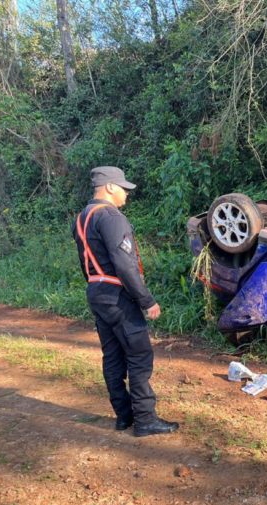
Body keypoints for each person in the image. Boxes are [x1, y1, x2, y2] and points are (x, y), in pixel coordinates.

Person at [72, 166, 179, 437]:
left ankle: (123, 416)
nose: (126, 194)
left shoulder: (82, 217)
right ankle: (145, 420)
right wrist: (146, 300)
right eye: (122, 188)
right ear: (109, 187)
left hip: (96, 292)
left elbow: (87, 264)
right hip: (118, 296)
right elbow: (125, 264)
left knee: (113, 356)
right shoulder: (110, 216)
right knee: (139, 355)